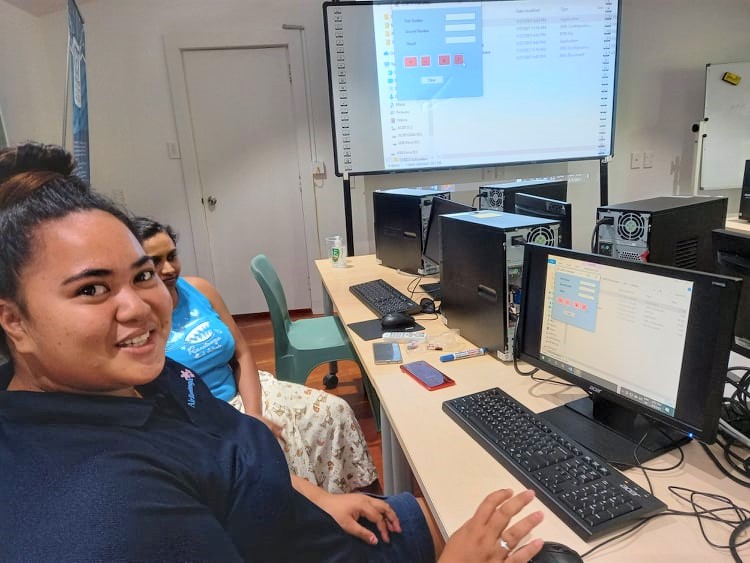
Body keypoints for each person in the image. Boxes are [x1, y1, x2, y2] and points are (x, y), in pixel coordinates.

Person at [0, 142, 544, 561]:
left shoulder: (139, 378)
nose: (139, 307)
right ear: (13, 321)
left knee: (491, 516)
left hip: (310, 528)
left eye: (142, 276)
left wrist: (317, 499)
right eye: (92, 289)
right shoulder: (105, 511)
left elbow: (226, 455)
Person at [133, 217, 379, 494]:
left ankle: (368, 502)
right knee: (272, 450)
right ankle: (321, 510)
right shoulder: (137, 321)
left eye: (172, 256)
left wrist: (253, 415)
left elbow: (241, 352)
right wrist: (242, 427)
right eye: (155, 262)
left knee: (336, 411)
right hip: (203, 419)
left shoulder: (200, 289)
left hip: (247, 394)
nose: (168, 268)